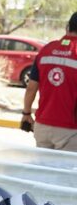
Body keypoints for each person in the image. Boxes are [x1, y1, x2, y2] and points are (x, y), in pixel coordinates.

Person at [22, 12, 77, 151]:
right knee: (66, 172)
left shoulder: (46, 50)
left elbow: (31, 88)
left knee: (42, 170)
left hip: (42, 127)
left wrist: (26, 114)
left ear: (67, 27)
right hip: (70, 130)